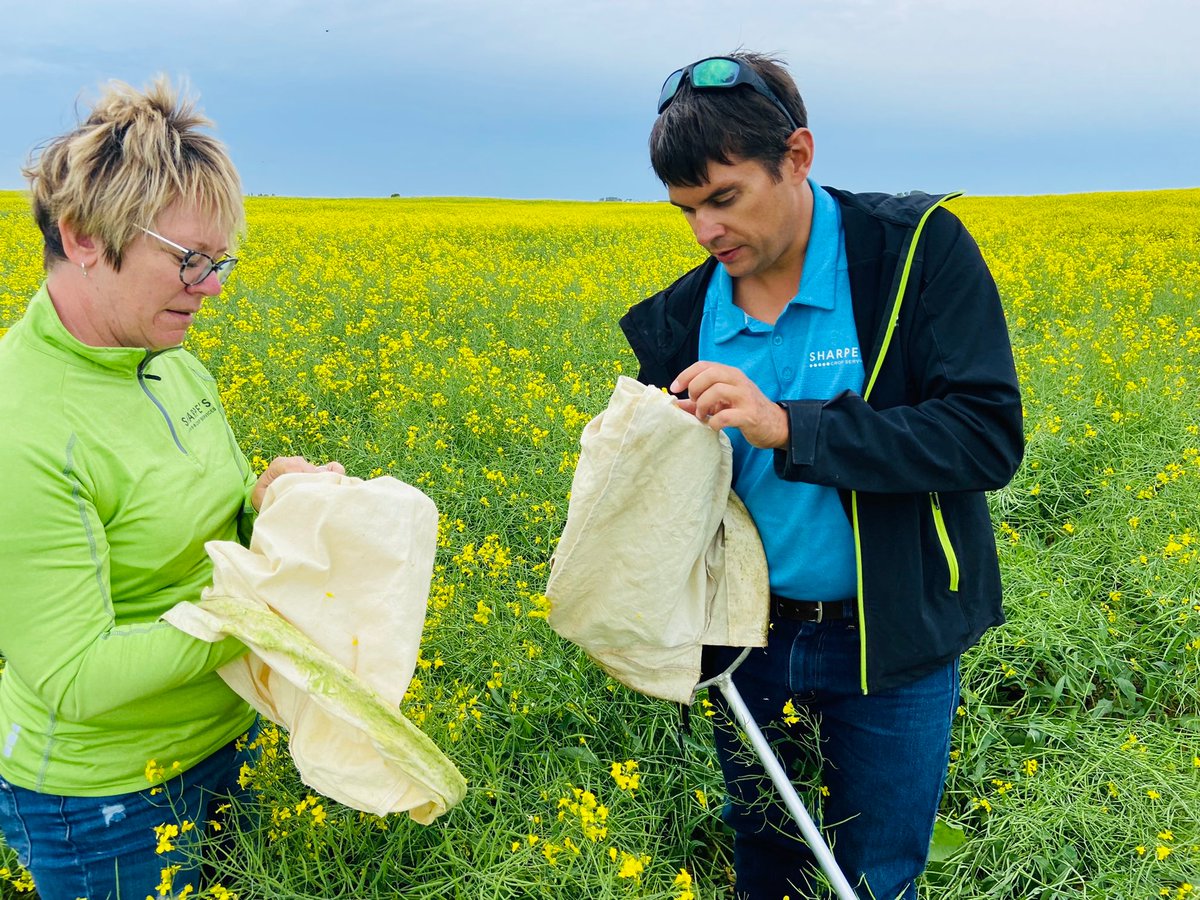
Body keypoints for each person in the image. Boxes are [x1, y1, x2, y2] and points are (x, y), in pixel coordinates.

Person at [619, 53, 1024, 899]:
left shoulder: (910, 254)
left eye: (723, 198)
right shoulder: (684, 316)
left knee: (873, 873)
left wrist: (787, 427)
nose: (705, 231)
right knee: (768, 862)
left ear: (797, 155)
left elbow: (985, 438)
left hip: (890, 646)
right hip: (747, 642)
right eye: (685, 209)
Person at [0, 77, 343, 900]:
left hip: (221, 737)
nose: (213, 286)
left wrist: (267, 501)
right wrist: (266, 610)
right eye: (190, 259)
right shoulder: (23, 427)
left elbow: (200, 527)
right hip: (104, 800)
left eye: (219, 261)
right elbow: (73, 676)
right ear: (84, 236)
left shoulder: (171, 363)